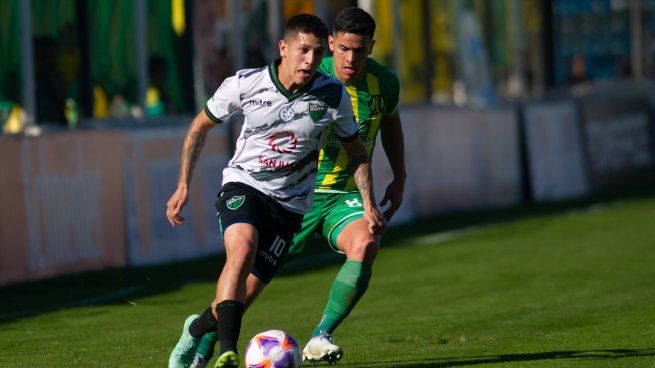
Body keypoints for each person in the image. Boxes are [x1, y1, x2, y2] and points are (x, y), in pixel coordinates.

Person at [166, 13, 386, 368]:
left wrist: (368, 202)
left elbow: (356, 152)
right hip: (244, 185)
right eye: (303, 51)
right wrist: (182, 185)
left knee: (245, 290)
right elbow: (198, 128)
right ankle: (225, 350)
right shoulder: (245, 84)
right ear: (284, 48)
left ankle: (195, 330)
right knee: (242, 250)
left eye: (316, 53)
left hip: (291, 205)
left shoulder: (331, 95)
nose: (310, 60)